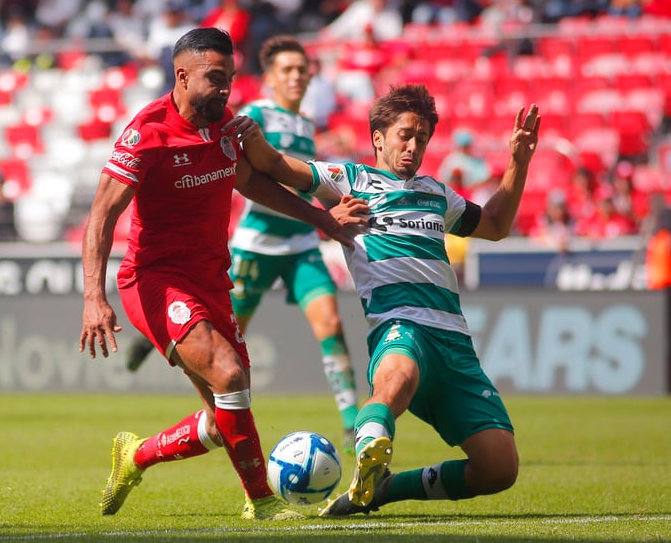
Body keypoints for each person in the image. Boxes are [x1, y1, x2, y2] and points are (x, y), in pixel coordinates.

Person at [78, 28, 361, 521]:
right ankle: (263, 502)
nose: (225, 88)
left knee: (225, 409)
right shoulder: (147, 133)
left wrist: (322, 220)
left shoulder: (225, 125)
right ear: (181, 76)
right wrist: (92, 298)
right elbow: (102, 214)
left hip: (211, 279)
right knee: (229, 374)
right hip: (155, 279)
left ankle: (136, 455)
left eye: (229, 78)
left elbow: (252, 183)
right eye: (214, 78)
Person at [229, 84, 540, 516]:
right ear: (379, 137)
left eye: (423, 138)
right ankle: (370, 447)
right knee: (395, 382)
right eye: (405, 135)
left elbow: (494, 224)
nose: (415, 146)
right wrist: (251, 135)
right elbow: (272, 164)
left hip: (454, 345)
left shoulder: (437, 194)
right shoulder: (349, 180)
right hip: (399, 326)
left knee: (499, 468)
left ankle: (383, 489)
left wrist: (517, 163)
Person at [227, 35, 360, 452]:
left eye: (302, 70)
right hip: (258, 244)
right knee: (229, 340)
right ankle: (227, 422)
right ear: (269, 78)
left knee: (332, 326)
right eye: (287, 70)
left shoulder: (305, 123)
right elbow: (248, 175)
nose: (297, 76)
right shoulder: (255, 114)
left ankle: (354, 426)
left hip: (301, 242)